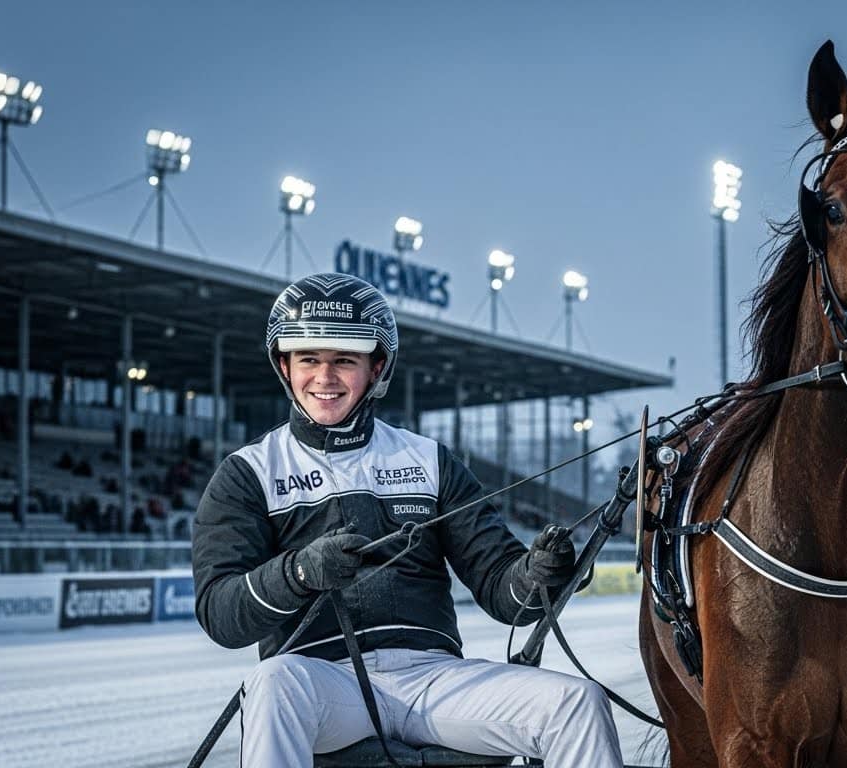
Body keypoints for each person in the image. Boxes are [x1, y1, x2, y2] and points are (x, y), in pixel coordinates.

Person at [193, 273, 621, 768]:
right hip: (324, 685)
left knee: (578, 703)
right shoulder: (247, 473)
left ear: (377, 368)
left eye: (344, 361)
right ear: (285, 365)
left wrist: (538, 575)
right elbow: (220, 615)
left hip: (434, 679)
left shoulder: (430, 460)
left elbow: (505, 595)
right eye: (309, 358)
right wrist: (298, 573)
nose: (324, 377)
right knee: (271, 683)